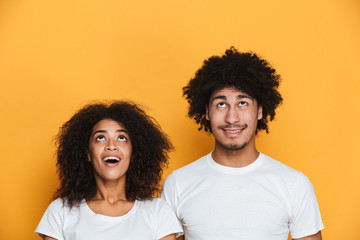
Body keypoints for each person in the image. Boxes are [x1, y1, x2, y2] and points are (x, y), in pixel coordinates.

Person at [161, 47, 324, 240]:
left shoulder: (294, 184)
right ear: (206, 112)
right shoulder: (177, 184)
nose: (232, 118)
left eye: (243, 103)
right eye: (221, 104)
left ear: (260, 111)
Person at [36, 101, 183, 240]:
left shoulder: (158, 212)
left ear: (133, 153)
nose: (111, 145)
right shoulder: (60, 211)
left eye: (121, 138)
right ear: (87, 153)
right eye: (100, 138)